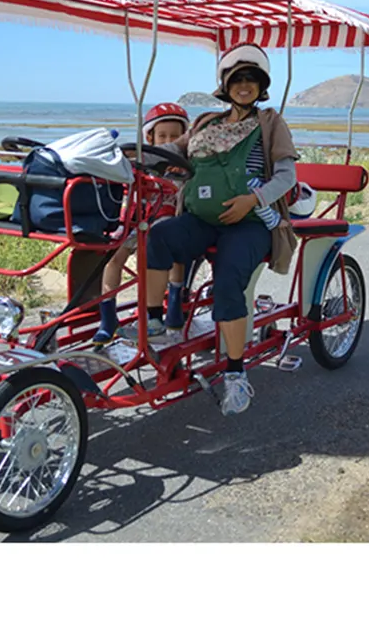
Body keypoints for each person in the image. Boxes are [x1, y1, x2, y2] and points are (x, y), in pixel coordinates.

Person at [139, 42, 298, 416]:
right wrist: (130, 154)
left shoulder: (270, 123)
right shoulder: (206, 123)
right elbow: (172, 152)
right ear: (225, 85)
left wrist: (251, 200)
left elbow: (287, 177)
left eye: (252, 79)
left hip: (249, 224)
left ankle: (235, 374)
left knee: (228, 281)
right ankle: (155, 321)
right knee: (159, 237)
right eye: (237, 78)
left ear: (262, 87)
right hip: (201, 219)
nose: (244, 85)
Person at [92, 103, 190, 344]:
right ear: (150, 137)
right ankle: (107, 317)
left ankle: (175, 303)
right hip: (138, 216)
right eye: (162, 136)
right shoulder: (141, 159)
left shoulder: (184, 163)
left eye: (175, 136)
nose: (168, 140)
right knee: (115, 257)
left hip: (167, 215)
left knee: (174, 250)